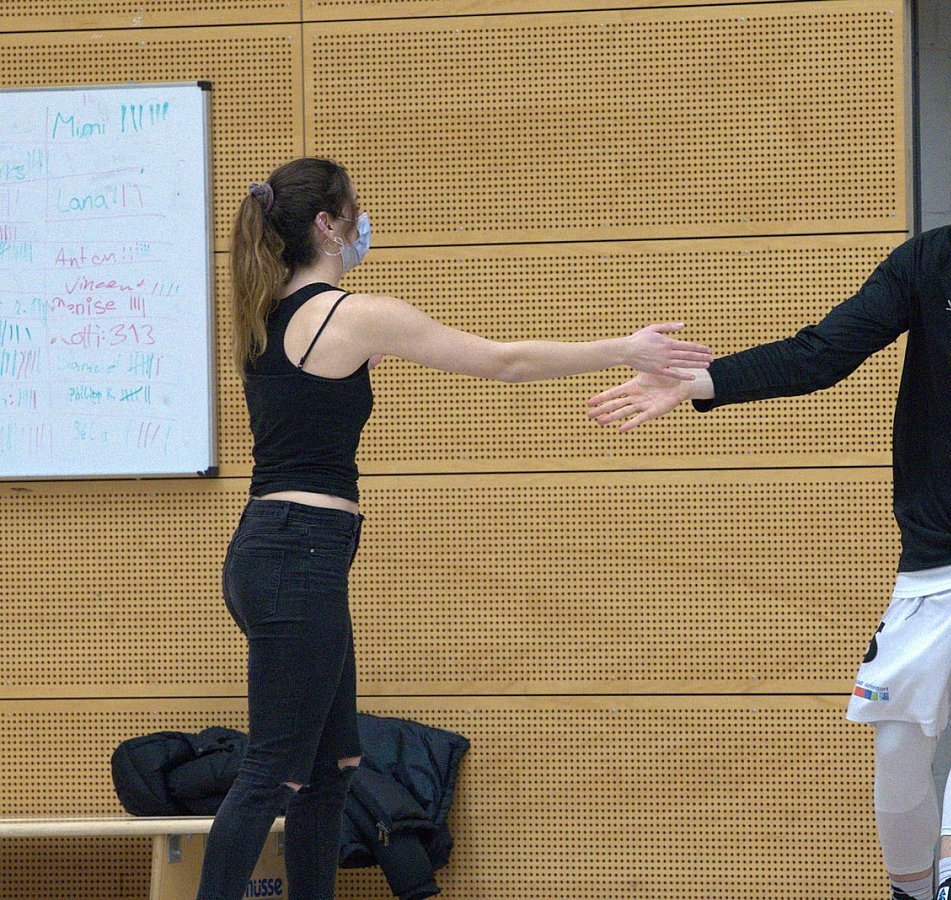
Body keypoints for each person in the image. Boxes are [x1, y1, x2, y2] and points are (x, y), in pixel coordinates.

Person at [587, 107, 951, 900]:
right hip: (940, 543)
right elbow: (822, 352)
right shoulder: (931, 263)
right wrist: (701, 382)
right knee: (900, 740)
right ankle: (911, 890)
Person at [200, 156, 713, 900]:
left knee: (332, 768)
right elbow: (505, 362)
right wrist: (624, 349)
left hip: (282, 554)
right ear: (327, 225)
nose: (364, 223)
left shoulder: (268, 311)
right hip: (295, 557)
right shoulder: (353, 314)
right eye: (355, 210)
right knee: (272, 772)